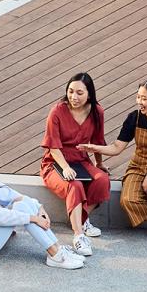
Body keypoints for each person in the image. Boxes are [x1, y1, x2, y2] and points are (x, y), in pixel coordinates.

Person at [80, 79, 147, 250]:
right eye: (138, 97)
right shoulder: (134, 117)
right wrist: (93, 147)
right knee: (127, 200)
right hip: (139, 166)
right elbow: (117, 148)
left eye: (144, 98)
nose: (139, 102)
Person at [0, 141, 85, 269]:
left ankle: (57, 248)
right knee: (22, 210)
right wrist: (33, 218)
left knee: (22, 204)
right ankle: (55, 255)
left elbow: (9, 194)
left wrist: (39, 207)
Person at [42, 72, 111, 256]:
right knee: (75, 184)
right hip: (56, 162)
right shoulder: (57, 111)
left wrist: (99, 163)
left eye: (80, 93)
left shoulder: (97, 112)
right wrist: (65, 167)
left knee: (102, 180)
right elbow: (53, 147)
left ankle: (81, 217)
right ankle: (79, 235)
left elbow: (98, 141)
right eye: (71, 91)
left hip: (81, 160)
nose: (74, 97)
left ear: (90, 93)